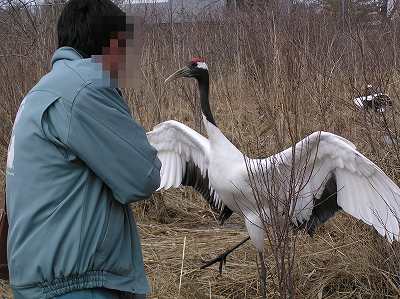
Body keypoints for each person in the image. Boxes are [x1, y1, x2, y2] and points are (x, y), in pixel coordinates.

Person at [5, 0, 161, 298]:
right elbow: (144, 175)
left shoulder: (40, 92)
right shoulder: (87, 86)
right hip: (76, 285)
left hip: (33, 280)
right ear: (111, 45)